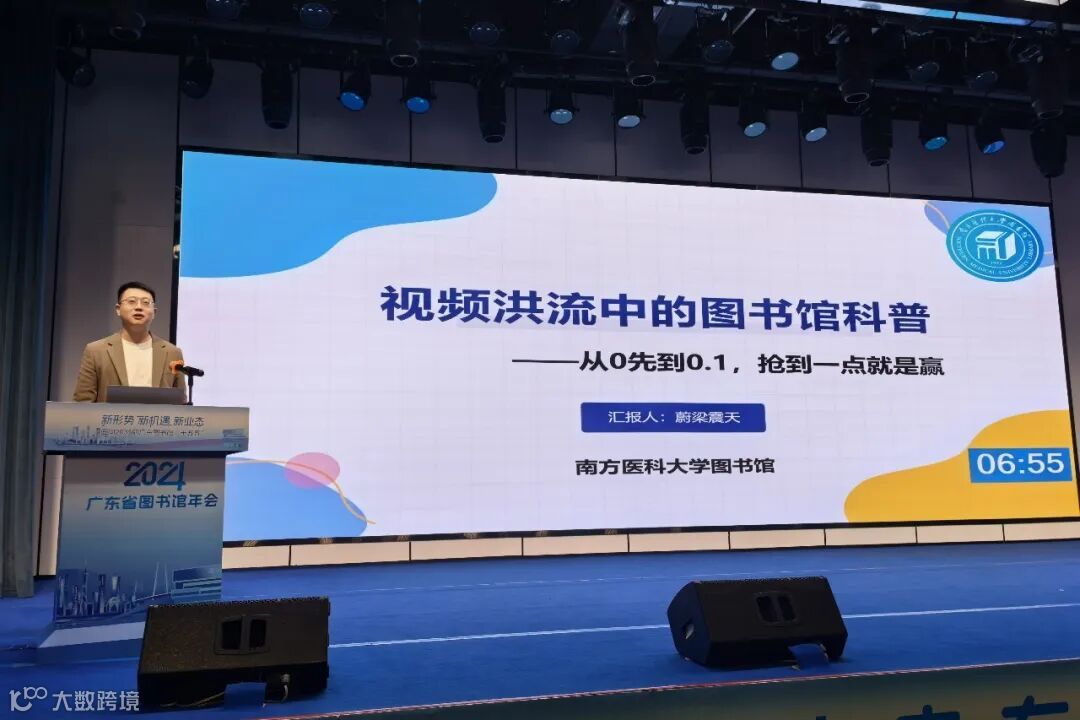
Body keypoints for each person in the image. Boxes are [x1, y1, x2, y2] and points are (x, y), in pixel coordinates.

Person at [72, 281, 187, 402]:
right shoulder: (96, 351)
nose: (139, 307)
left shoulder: (172, 352)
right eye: (132, 301)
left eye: (146, 303)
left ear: (154, 312)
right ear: (118, 309)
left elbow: (180, 403)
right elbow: (83, 402)